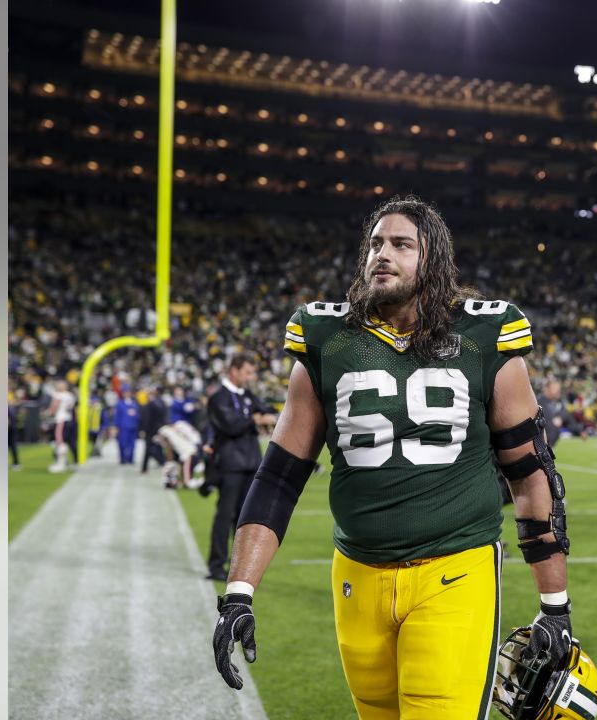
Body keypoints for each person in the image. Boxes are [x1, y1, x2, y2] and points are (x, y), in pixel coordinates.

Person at [211, 197, 575, 719]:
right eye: (376, 244)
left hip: (455, 570)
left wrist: (555, 607)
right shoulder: (326, 337)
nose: (383, 254)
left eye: (402, 244)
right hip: (357, 578)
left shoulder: (484, 334)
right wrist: (239, 593)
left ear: (434, 260)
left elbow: (530, 474)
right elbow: (279, 478)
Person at [203, 356, 277, 582]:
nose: (249, 377)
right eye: (246, 372)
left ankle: (240, 567)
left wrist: (260, 415)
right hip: (230, 464)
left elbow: (269, 409)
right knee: (225, 516)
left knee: (244, 520)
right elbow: (230, 426)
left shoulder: (247, 396)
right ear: (233, 370)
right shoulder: (218, 398)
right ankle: (216, 565)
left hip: (251, 462)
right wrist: (255, 419)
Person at [45, 380, 75, 473]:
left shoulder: (59, 395)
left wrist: (48, 413)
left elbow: (54, 407)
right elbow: (70, 408)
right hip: (68, 419)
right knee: (63, 442)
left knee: (59, 442)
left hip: (61, 419)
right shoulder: (70, 395)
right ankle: (64, 463)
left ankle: (61, 464)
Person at [140, 386, 169, 474]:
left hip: (151, 430)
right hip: (159, 428)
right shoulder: (162, 402)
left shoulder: (152, 403)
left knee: (149, 449)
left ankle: (161, 463)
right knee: (158, 447)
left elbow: (147, 419)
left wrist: (143, 430)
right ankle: (162, 463)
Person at [113, 389, 141, 465]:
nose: (127, 394)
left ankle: (130, 459)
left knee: (132, 444)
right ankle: (122, 458)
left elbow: (139, 415)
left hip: (133, 427)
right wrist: (116, 427)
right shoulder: (120, 404)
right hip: (123, 427)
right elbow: (117, 416)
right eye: (126, 392)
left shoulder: (134, 404)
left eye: (128, 392)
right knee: (122, 443)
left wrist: (135, 415)